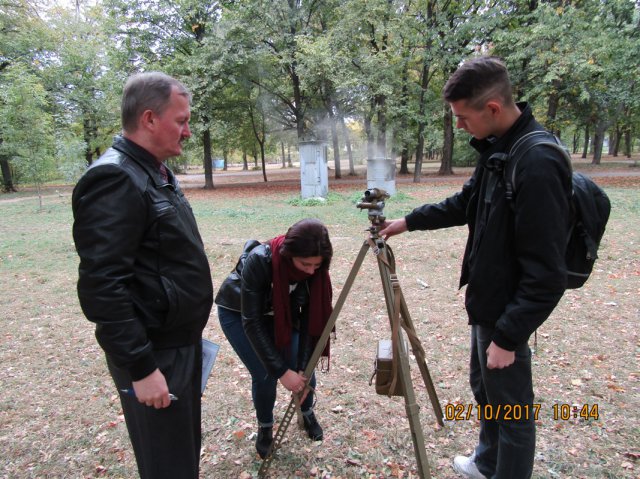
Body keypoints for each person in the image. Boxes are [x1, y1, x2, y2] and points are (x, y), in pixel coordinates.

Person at [379, 56, 572, 479]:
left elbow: (547, 274)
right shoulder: (499, 148)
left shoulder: (537, 161)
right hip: (487, 302)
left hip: (507, 313)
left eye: (463, 118)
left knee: (513, 410)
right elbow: (465, 203)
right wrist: (407, 222)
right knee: (486, 391)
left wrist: (507, 336)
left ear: (493, 109)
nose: (460, 127)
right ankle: (487, 463)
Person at [72, 72, 213, 479]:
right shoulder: (115, 177)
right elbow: (103, 287)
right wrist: (141, 368)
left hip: (178, 345)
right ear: (149, 119)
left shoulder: (156, 173)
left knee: (181, 456)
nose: (188, 132)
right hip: (155, 354)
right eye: (181, 121)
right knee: (167, 465)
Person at [215, 218, 333, 459]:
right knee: (265, 373)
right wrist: (282, 371)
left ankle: (307, 413)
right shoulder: (260, 260)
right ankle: (265, 427)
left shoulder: (314, 271)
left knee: (306, 371)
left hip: (281, 315)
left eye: (316, 265)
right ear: (289, 254)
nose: (311, 271)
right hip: (238, 314)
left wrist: (300, 367)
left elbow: (309, 320)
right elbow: (252, 322)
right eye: (305, 264)